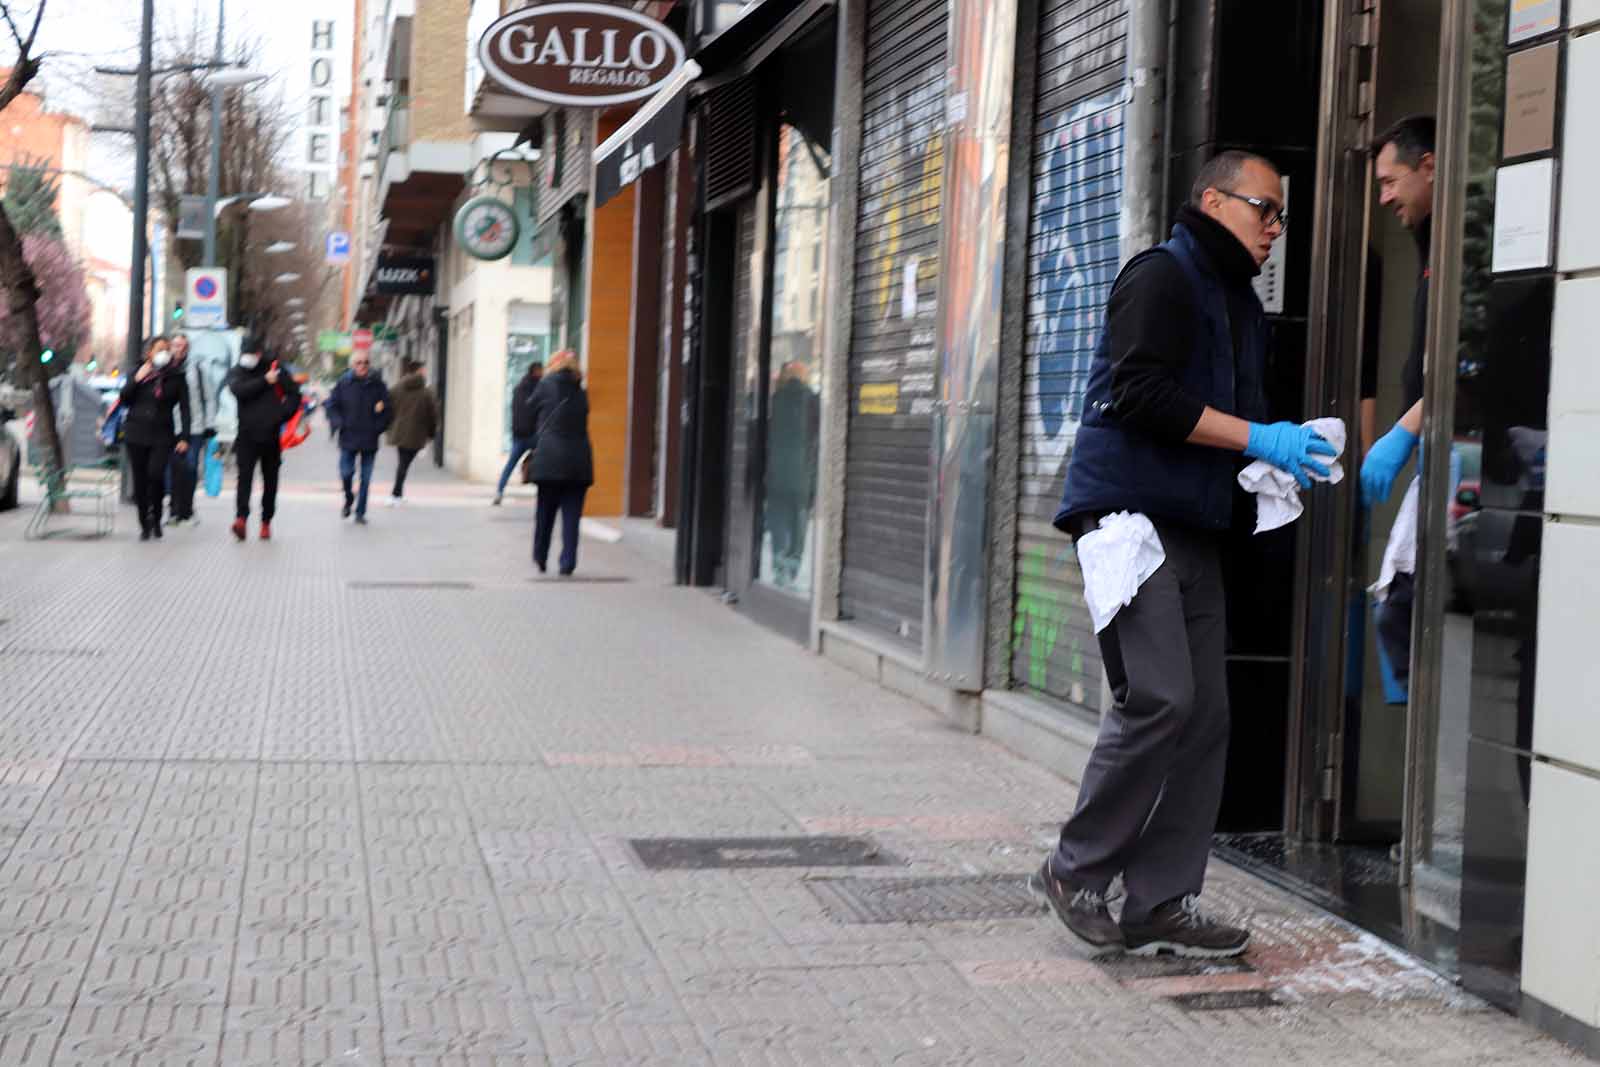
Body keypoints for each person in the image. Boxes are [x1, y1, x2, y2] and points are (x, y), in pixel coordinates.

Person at [1033, 151, 1334, 958]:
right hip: (1128, 517)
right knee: (1161, 693)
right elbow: (1138, 393)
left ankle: (1160, 900)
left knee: (1206, 716)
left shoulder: (1238, 302)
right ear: (1211, 199)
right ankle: (1074, 868)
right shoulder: (1161, 275)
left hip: (1193, 523)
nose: (1275, 226)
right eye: (1261, 208)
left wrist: (1274, 459)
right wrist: (1254, 435)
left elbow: (1218, 421)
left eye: (1281, 214)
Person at [1360, 116, 1436, 694]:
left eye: (1390, 181)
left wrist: (1404, 430)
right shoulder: (1428, 241)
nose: (1383, 197)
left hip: (1451, 455)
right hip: (1430, 454)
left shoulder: (1467, 241)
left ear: (1429, 167)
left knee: (1401, 611)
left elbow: (1467, 360)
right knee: (1397, 610)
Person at [226, 335, 300, 541]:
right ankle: (241, 519)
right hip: (246, 435)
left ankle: (266, 522)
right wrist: (263, 381)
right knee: (244, 479)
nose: (248, 358)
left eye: (252, 354)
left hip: (270, 435)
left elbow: (295, 394)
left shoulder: (275, 368)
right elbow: (239, 390)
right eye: (245, 354)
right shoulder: (237, 371)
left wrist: (281, 414)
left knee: (270, 481)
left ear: (259, 353)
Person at [526, 350, 594, 575]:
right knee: (572, 517)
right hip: (578, 462)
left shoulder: (545, 385)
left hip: (549, 461)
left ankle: (541, 556)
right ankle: (568, 562)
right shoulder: (581, 391)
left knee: (545, 513)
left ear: (554, 365)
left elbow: (528, 410)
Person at [120, 336, 192, 541]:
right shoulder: (138, 372)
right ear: (149, 353)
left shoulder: (176, 376)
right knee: (141, 480)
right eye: (160, 349)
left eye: (167, 349)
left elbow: (185, 408)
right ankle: (144, 522)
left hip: (162, 434)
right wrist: (136, 379)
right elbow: (124, 398)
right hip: (136, 433)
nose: (164, 353)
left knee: (156, 474)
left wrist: (184, 436)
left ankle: (157, 516)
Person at [325, 351, 390, 525]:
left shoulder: (378, 385)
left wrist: (379, 427)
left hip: (370, 438)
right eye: (359, 363)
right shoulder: (343, 383)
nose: (362, 366)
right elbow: (331, 406)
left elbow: (388, 409)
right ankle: (348, 498)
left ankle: (360, 512)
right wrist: (339, 423)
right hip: (348, 437)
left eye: (366, 362)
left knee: (366, 479)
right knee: (346, 473)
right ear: (353, 365)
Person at [165, 334, 209, 525]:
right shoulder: (164, 368)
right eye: (175, 345)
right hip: (170, 425)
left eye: (183, 345)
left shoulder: (197, 369)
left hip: (195, 426)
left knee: (190, 467)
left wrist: (210, 424)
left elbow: (208, 397)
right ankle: (174, 509)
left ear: (188, 348)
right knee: (172, 468)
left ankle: (188, 509)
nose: (179, 349)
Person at [385, 358, 438, 506]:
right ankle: (395, 494)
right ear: (419, 371)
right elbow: (433, 414)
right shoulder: (426, 391)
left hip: (399, 431)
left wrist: (390, 424)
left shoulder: (397, 387)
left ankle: (398, 494)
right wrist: (432, 433)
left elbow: (388, 405)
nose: (425, 372)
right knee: (404, 464)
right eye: (424, 370)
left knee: (403, 463)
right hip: (416, 434)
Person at [493, 360, 544, 505]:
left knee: (510, 465)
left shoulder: (518, 388)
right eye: (541, 371)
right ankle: (543, 495)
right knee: (543, 464)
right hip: (533, 435)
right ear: (535, 371)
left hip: (519, 435)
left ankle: (499, 492)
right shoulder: (538, 388)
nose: (542, 373)